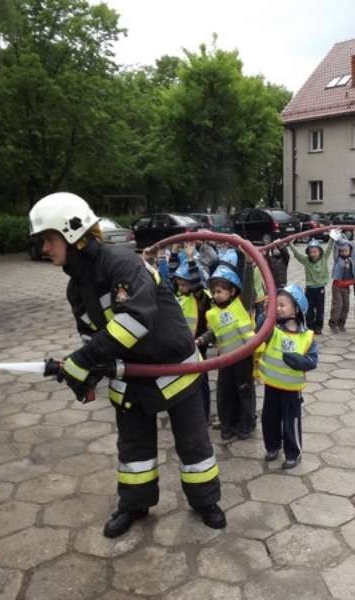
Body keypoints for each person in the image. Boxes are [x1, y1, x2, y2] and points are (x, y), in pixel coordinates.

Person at [29, 192, 224, 539]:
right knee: (133, 447)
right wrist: (82, 374)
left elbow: (135, 321)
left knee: (193, 443)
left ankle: (205, 501)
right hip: (129, 374)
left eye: (48, 239)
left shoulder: (123, 265)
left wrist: (83, 361)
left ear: (72, 233)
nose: (44, 248)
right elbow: (92, 337)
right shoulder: (76, 289)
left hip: (173, 368)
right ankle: (134, 504)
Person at [256, 284, 318, 469]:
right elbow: (260, 332)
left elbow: (312, 361)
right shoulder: (273, 329)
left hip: (292, 391)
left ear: (296, 309)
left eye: (282, 305)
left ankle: (293, 453)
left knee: (291, 421)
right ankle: (272, 447)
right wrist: (264, 314)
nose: (278, 308)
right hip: (272, 386)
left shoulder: (306, 336)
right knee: (269, 418)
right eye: (277, 304)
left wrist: (299, 361)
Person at [196, 261, 257, 441]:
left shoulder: (241, 304)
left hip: (243, 358)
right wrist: (202, 339)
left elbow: (247, 287)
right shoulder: (213, 312)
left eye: (220, 291)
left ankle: (246, 424)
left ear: (232, 291)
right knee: (224, 393)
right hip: (225, 360)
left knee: (244, 392)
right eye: (214, 291)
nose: (216, 294)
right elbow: (214, 332)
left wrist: (248, 264)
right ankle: (227, 424)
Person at [171, 243, 213, 422]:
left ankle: (204, 414)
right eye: (179, 284)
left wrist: (190, 259)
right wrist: (173, 254)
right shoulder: (180, 296)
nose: (180, 287)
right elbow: (170, 279)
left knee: (200, 382)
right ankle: (186, 410)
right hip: (182, 345)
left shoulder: (201, 298)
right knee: (183, 380)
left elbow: (195, 282)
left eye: (183, 284)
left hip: (197, 346)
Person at [289, 238, 332, 335]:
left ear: (320, 251)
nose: (313, 254)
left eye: (315, 251)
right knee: (309, 309)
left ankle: (318, 327)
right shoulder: (306, 261)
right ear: (308, 253)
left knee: (320, 309)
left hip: (320, 288)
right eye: (311, 252)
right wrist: (291, 245)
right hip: (310, 289)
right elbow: (297, 255)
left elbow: (329, 248)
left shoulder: (324, 258)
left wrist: (332, 238)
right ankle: (309, 326)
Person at [328, 230, 355, 333]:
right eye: (342, 251)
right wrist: (336, 236)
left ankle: (341, 323)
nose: (344, 253)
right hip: (337, 286)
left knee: (346, 305)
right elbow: (336, 248)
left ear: (349, 251)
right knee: (338, 305)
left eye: (346, 251)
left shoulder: (351, 260)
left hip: (346, 286)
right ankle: (333, 323)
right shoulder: (337, 259)